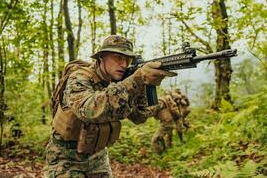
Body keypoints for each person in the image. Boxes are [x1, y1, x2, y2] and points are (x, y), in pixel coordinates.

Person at [43, 35, 176, 177]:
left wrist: (144, 86)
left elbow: (138, 116)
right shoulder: (79, 77)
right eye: (118, 57)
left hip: (97, 156)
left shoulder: (118, 81)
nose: (124, 64)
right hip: (65, 157)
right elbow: (90, 110)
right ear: (101, 58)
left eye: (127, 59)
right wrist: (136, 80)